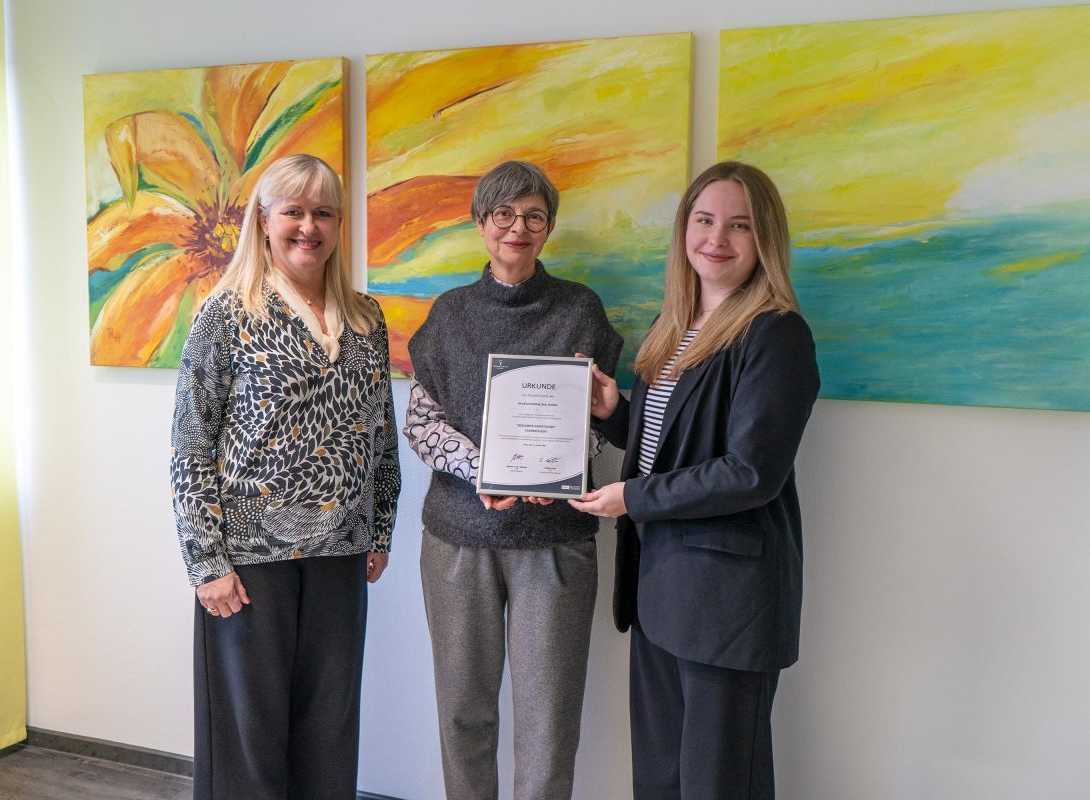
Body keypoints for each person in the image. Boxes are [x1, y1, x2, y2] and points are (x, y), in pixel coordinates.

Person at [570, 161, 820, 799]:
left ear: (765, 239)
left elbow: (750, 472)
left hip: (726, 604)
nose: (717, 238)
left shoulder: (776, 333)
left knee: (717, 783)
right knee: (660, 779)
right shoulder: (675, 327)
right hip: (660, 588)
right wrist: (616, 414)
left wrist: (631, 498)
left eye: (740, 225)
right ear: (685, 228)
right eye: (705, 220)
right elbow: (675, 445)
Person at [169, 154, 401, 800]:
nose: (309, 226)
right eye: (293, 211)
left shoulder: (365, 318)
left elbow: (379, 435)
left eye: (323, 212)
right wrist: (205, 562)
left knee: (329, 732)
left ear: (339, 224)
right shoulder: (226, 314)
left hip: (341, 554)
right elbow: (190, 446)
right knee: (248, 740)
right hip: (249, 563)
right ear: (264, 221)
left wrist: (380, 528)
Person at [404, 160, 622, 800]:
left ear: (549, 228)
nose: (517, 228)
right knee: (462, 712)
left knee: (549, 722)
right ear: (481, 223)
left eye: (533, 216)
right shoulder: (450, 314)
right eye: (503, 213)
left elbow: (600, 421)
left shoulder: (580, 309)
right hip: (458, 540)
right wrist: (483, 470)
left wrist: (551, 472)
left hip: (554, 541)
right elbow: (421, 423)